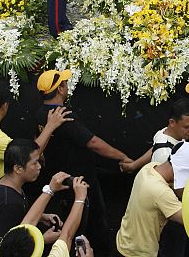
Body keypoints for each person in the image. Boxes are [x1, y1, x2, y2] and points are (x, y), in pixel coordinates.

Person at [0, 79, 72, 255]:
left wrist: (39, 217)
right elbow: (30, 152)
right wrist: (51, 125)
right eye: (34, 164)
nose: (37, 166)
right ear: (5, 106)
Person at [34, 70, 132, 254]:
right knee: (95, 225)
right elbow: (93, 143)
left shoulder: (41, 113)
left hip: (59, 180)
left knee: (68, 220)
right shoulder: (64, 115)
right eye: (64, 83)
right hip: (81, 182)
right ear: (60, 89)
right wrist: (122, 157)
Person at [116, 141, 189, 257]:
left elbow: (178, 191)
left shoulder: (150, 168)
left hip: (125, 241)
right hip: (138, 253)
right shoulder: (160, 191)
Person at [0, 139, 71, 256]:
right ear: (18, 169)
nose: (39, 166)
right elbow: (9, 247)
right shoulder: (9, 204)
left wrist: (42, 216)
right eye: (34, 163)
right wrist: (43, 239)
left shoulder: (8, 184)